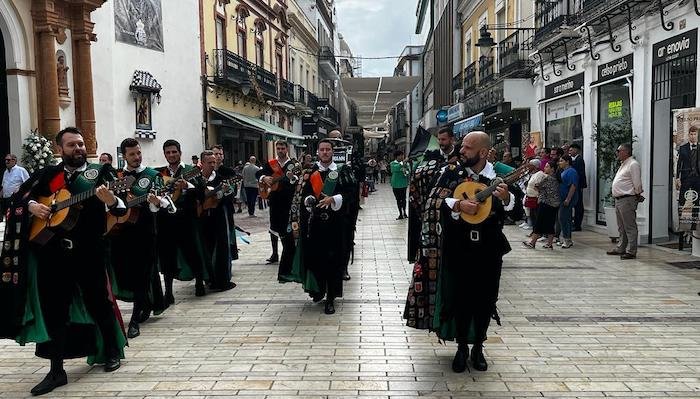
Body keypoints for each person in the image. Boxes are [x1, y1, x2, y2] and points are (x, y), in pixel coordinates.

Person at [23, 127, 128, 395]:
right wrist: (33, 205)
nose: (78, 148)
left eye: (81, 144)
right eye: (72, 145)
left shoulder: (100, 173)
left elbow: (122, 207)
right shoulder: (49, 174)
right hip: (54, 254)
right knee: (54, 309)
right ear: (60, 149)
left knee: (98, 302)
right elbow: (21, 197)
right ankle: (56, 371)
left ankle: (111, 350)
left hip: (89, 251)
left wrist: (112, 198)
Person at [404, 131, 513, 373]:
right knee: (461, 296)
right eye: (462, 146)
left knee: (485, 298)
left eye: (467, 148)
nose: (461, 151)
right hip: (458, 246)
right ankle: (462, 347)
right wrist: (458, 204)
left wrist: (506, 199)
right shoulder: (450, 172)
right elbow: (434, 203)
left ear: (483, 152)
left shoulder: (498, 176)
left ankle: (478, 348)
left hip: (489, 247)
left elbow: (516, 212)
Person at [109, 138, 168, 339]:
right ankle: (144, 305)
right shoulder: (117, 176)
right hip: (119, 233)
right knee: (127, 272)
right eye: (132, 154)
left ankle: (134, 320)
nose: (136, 157)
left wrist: (155, 201)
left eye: (138, 153)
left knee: (142, 273)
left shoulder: (152, 175)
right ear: (124, 156)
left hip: (144, 232)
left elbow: (161, 203)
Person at [288, 139, 354, 315]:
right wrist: (308, 201)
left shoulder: (342, 171)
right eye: (322, 149)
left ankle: (330, 298)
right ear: (318, 152)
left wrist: (333, 199)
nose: (325, 152)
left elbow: (351, 194)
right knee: (315, 258)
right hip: (314, 223)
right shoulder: (310, 172)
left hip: (335, 223)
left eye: (328, 149)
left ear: (333, 152)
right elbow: (302, 195)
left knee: (333, 261)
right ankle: (318, 290)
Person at [156, 139, 209, 300]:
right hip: (166, 220)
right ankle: (168, 292)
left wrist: (188, 186)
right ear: (164, 154)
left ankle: (199, 282)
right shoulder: (160, 173)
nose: (171, 155)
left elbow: (202, 192)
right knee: (167, 255)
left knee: (192, 251)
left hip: (187, 219)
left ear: (180, 152)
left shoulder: (191, 170)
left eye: (174, 152)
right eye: (168, 152)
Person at [407, 127, 459, 262]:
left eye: (444, 139)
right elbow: (418, 178)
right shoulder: (430, 156)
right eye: (439, 139)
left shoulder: (461, 155)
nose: (441, 142)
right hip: (433, 208)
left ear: (452, 139)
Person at [256, 140, 300, 273]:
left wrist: (293, 178)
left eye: (282, 148)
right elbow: (258, 174)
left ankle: (290, 253)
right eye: (278, 148)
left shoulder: (293, 164)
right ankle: (274, 253)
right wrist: (264, 178)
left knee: (289, 227)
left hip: (289, 200)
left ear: (287, 149)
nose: (280, 150)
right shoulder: (271, 163)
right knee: (274, 226)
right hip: (274, 199)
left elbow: (297, 179)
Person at [199, 150, 237, 291]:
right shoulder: (197, 179)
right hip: (201, 218)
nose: (212, 165)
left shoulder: (221, 179)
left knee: (221, 248)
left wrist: (222, 193)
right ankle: (206, 278)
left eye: (214, 162)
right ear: (202, 163)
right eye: (209, 163)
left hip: (219, 217)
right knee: (204, 248)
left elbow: (229, 198)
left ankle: (221, 280)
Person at [607, 143, 643, 259]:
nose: (617, 153)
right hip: (619, 199)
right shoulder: (623, 164)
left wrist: (637, 194)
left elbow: (637, 182)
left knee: (629, 226)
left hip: (627, 199)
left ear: (626, 152)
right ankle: (621, 247)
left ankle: (631, 251)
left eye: (619, 151)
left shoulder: (633, 164)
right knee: (621, 226)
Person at [522, 160, 560, 249]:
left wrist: (538, 188)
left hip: (545, 203)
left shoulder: (547, 178)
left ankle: (532, 242)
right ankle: (549, 244)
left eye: (547, 167)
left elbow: (537, 186)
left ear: (552, 169)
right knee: (550, 223)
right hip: (553, 204)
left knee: (539, 222)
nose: (545, 168)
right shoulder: (556, 178)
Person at [211, 144, 240, 260]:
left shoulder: (229, 172)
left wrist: (225, 192)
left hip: (225, 207)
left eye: (220, 154)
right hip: (209, 208)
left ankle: (227, 261)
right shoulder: (207, 170)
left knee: (227, 235)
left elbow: (233, 192)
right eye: (215, 154)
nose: (218, 156)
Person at [675, 124, 700, 225]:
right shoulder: (683, 148)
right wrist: (677, 178)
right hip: (686, 178)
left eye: (695, 134)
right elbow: (679, 164)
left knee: (696, 201)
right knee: (682, 200)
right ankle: (681, 223)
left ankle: (694, 225)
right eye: (691, 134)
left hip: (697, 178)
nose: (693, 136)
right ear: (688, 135)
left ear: (697, 135)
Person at [557, 154, 578, 249]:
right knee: (564, 218)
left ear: (567, 162)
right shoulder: (563, 171)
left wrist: (568, 199)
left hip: (567, 199)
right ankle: (566, 238)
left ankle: (567, 239)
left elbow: (573, 186)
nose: (559, 163)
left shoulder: (572, 171)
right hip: (561, 198)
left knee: (563, 218)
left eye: (561, 161)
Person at [0, 153, 29, 221]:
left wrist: (26, 194)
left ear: (14, 161)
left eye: (8, 160)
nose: (6, 162)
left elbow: (28, 183)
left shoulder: (21, 170)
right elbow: (3, 185)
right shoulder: (6, 172)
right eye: (5, 160)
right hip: (6, 200)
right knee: (7, 218)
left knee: (15, 218)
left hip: (16, 199)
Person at [569, 143, 587, 231]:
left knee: (578, 205)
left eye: (571, 150)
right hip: (575, 185)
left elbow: (579, 174)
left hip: (577, 185)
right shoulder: (574, 159)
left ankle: (577, 225)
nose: (570, 152)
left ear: (576, 150)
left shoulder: (579, 160)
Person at [390, 150, 410, 220]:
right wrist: (403, 162)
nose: (402, 157)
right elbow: (395, 168)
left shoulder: (406, 164)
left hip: (403, 183)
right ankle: (400, 213)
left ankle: (404, 212)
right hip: (395, 184)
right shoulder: (392, 163)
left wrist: (406, 172)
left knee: (404, 199)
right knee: (398, 199)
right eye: (400, 155)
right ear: (396, 157)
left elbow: (408, 171)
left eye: (402, 155)